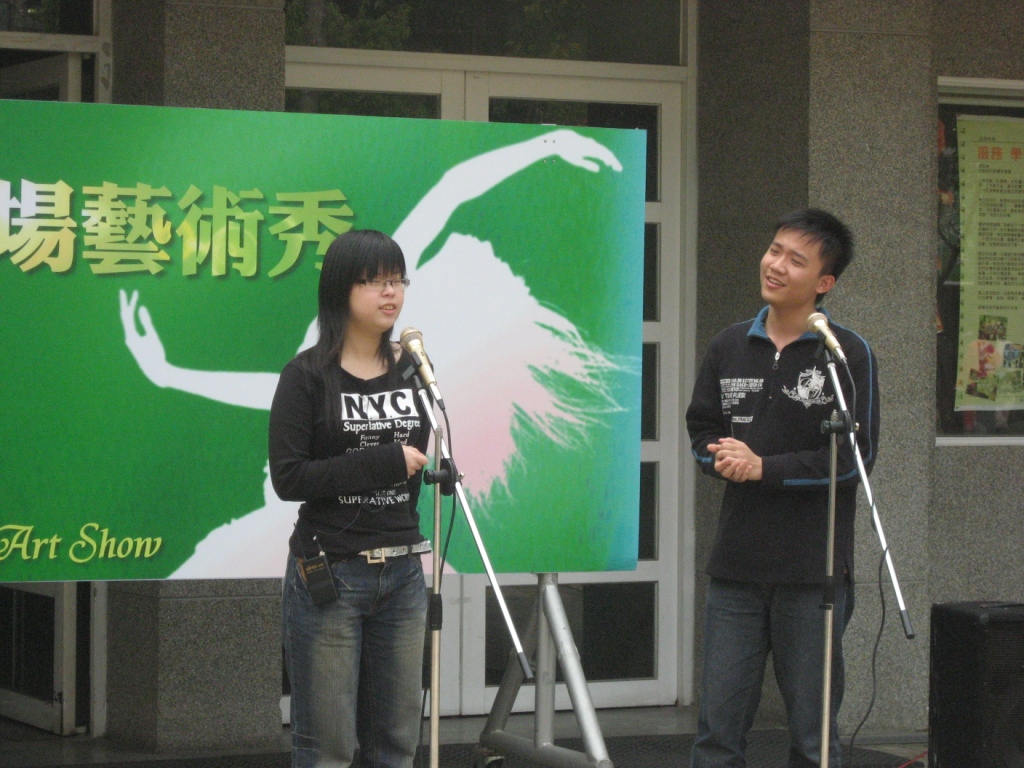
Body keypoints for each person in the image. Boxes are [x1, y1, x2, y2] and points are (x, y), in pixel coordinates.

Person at [686, 209, 880, 768]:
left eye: (796, 260)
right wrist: (721, 457)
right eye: (774, 250)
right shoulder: (728, 345)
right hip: (736, 568)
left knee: (813, 737)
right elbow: (701, 428)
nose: (776, 265)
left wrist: (764, 468)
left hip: (813, 573)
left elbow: (855, 458)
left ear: (825, 282)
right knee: (717, 732)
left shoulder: (846, 353)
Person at [269, 229, 431, 768]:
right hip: (332, 572)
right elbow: (290, 477)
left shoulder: (411, 369)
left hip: (403, 572)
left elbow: (417, 461)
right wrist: (382, 462)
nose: (391, 293)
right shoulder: (306, 376)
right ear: (342, 289)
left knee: (397, 744)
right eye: (374, 282)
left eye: (398, 280)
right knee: (328, 748)